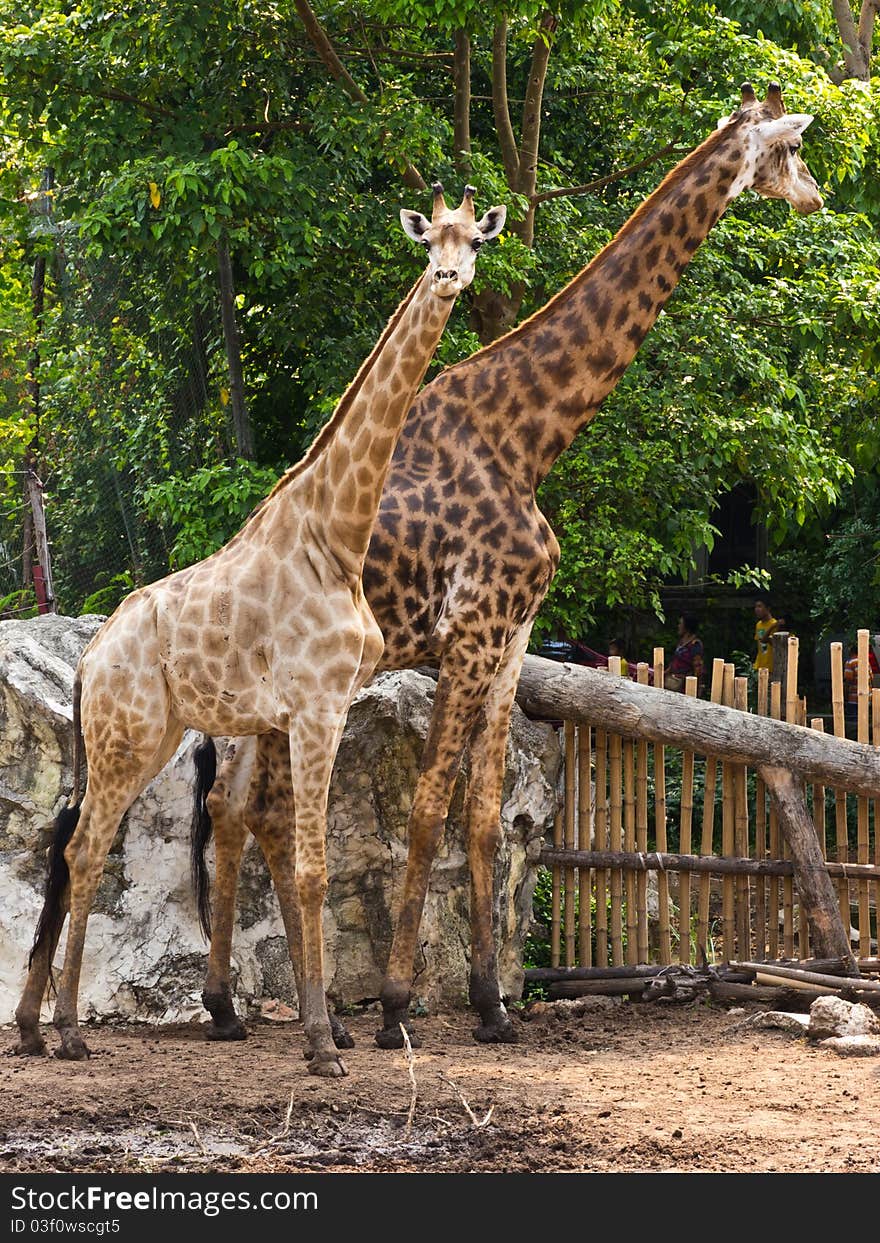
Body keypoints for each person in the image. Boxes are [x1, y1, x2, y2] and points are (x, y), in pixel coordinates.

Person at [665, 613, 704, 692]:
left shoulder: (695, 645)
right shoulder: (682, 642)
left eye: (680, 624)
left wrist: (697, 687)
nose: (678, 626)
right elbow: (675, 661)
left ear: (687, 627)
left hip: (685, 684)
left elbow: (698, 668)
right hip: (673, 680)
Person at [753, 597, 779, 673]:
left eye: (760, 606)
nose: (756, 609)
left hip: (771, 667)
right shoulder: (758, 625)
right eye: (756, 607)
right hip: (760, 667)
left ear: (768, 608)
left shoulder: (775, 624)